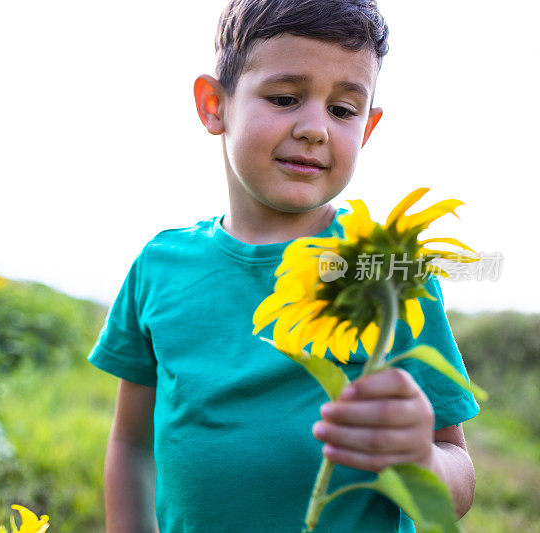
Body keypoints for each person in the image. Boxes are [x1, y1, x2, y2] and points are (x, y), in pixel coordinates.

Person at [87, 0, 479, 531]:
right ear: (213, 105)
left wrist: (416, 459)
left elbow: (455, 478)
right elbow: (132, 443)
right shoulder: (161, 265)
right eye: (286, 98)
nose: (315, 128)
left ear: (367, 128)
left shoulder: (381, 267)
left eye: (343, 110)